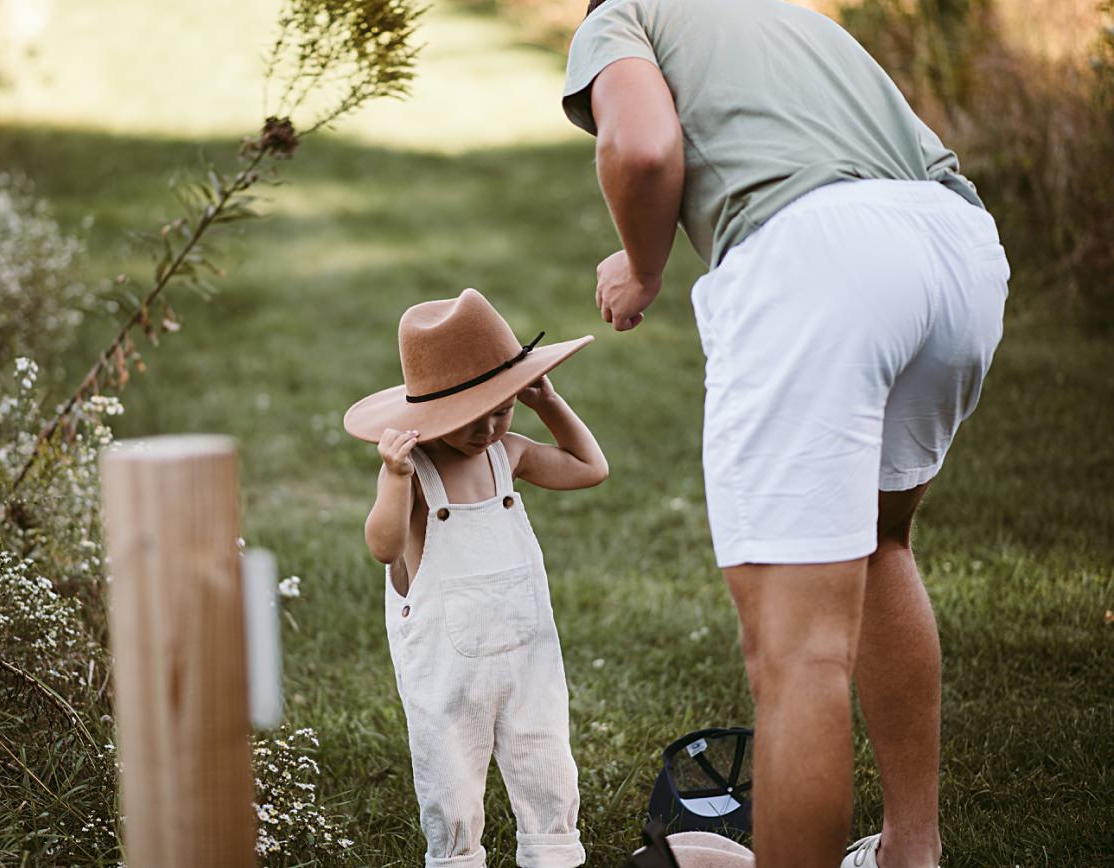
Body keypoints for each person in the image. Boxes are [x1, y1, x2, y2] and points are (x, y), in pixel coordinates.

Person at [559, 1, 1010, 867]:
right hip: (958, 248)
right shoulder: (774, 10)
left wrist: (644, 268)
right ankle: (910, 850)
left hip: (817, 259)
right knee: (880, 543)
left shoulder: (621, 14)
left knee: (796, 652)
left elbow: (643, 147)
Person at [343, 287, 608, 868]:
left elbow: (591, 468)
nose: (489, 427)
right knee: (451, 774)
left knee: (544, 756)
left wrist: (549, 405)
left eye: (502, 407)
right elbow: (382, 547)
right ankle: (459, 857)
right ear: (428, 416)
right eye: (471, 416)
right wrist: (392, 478)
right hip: (447, 665)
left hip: (526, 652)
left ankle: (552, 852)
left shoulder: (506, 455)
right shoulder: (417, 476)